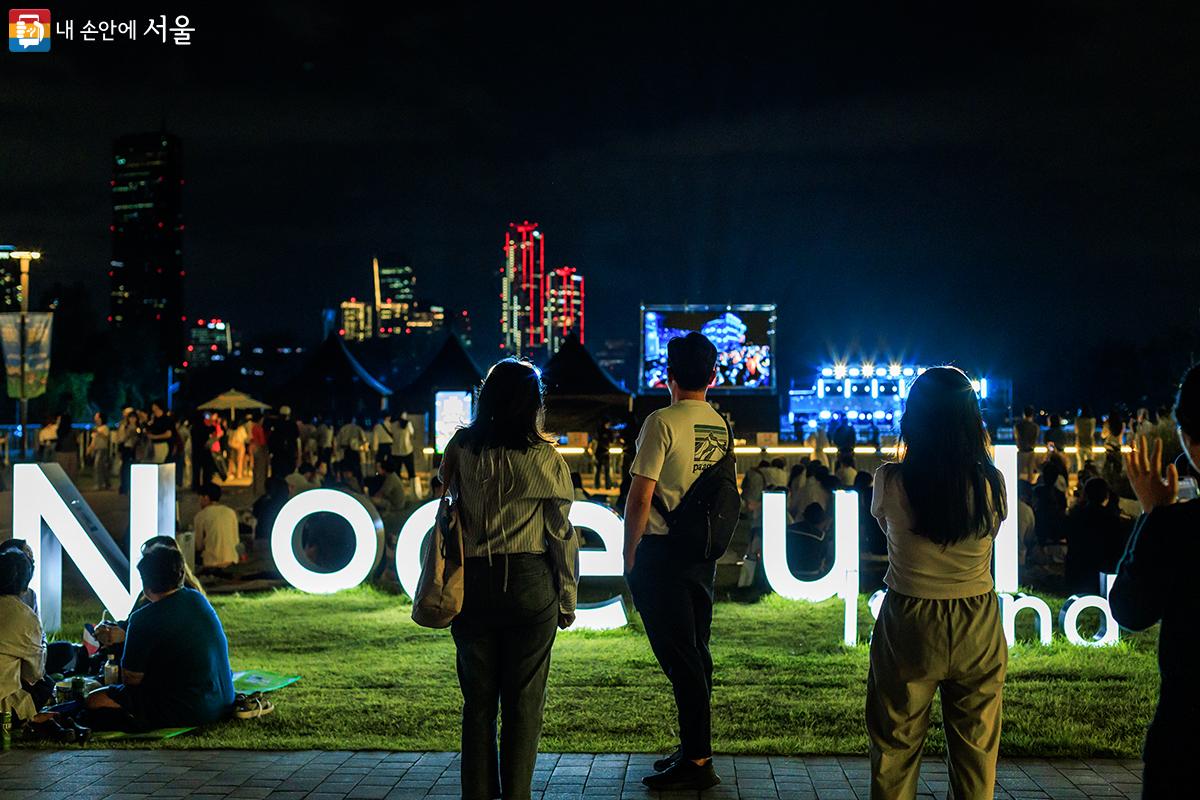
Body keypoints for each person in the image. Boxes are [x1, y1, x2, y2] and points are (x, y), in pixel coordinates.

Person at [865, 366, 1008, 800]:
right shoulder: (992, 482)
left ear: (914, 416)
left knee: (894, 750)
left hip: (909, 617)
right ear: (972, 419)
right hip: (978, 618)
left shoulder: (890, 480)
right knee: (976, 757)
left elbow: (882, 524)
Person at [441, 358, 579, 800]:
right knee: (524, 705)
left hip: (474, 585)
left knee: (478, 704)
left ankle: (477, 795)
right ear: (532, 403)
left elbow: (447, 503)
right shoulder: (545, 457)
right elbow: (560, 535)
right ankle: (517, 794)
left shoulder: (462, 448)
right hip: (530, 582)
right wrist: (568, 599)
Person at [623, 332, 729, 791]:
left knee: (681, 659)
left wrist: (629, 556)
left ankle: (699, 761)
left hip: (663, 555)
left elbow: (640, 496)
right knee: (696, 655)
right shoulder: (721, 425)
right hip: (701, 557)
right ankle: (693, 749)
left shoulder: (660, 422)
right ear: (713, 376)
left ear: (668, 375)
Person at [1110, 364, 1200, 798]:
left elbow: (1130, 608)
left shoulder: (1183, 525)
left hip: (1188, 734)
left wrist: (1155, 515)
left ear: (1188, 435)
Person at [84, 545, 234, 731]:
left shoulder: (144, 618)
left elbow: (131, 680)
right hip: (223, 700)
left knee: (94, 700)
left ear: (146, 582)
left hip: (190, 708)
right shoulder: (197, 599)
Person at [1065, 477, 1130, 596]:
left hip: (1076, 573)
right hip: (1101, 575)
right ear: (1106, 497)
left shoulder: (1075, 516)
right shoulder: (1113, 520)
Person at [193, 483, 240, 570]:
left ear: (206, 497)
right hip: (232, 561)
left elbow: (198, 545)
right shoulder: (230, 512)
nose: (199, 502)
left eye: (199, 498)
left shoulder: (200, 516)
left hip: (212, 563)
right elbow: (236, 540)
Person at [268, 406, 302, 480]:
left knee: (277, 474)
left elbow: (271, 440)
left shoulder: (276, 424)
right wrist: (299, 455)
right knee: (288, 475)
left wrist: (270, 452)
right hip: (289, 453)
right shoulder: (293, 425)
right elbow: (297, 440)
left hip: (278, 454)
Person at [86, 412, 113, 490]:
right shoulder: (96, 428)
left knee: (98, 466)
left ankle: (99, 484)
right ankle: (106, 483)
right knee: (102, 467)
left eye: (97, 417)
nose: (95, 419)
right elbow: (94, 440)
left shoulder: (105, 427)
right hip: (96, 449)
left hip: (102, 449)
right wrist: (90, 448)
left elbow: (106, 436)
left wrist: (98, 432)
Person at [1014, 405, 1040, 481]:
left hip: (1021, 452)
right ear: (1032, 415)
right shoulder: (1035, 427)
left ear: (1023, 414)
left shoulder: (1018, 426)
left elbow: (1016, 438)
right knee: (1030, 476)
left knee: (1018, 475)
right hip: (1031, 452)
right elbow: (1036, 439)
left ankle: (1020, 491)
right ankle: (1029, 491)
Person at [147, 401, 175, 465]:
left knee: (160, 464)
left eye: (155, 408)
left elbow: (168, 434)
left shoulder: (166, 419)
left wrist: (154, 437)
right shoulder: (154, 420)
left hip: (162, 445)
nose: (154, 410)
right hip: (153, 445)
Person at [53, 413, 80, 480]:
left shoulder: (58, 431)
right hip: (72, 452)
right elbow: (77, 441)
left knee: (62, 472)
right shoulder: (73, 431)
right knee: (71, 472)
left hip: (61, 452)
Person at [249, 412, 269, 497]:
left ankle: (256, 488)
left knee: (256, 470)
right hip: (260, 449)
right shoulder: (259, 428)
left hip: (255, 449)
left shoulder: (253, 427)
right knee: (261, 470)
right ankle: (260, 490)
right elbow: (262, 441)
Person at [1075, 405, 1097, 472]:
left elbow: (1076, 431)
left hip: (1080, 442)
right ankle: (1090, 476)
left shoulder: (1078, 420)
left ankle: (1081, 477)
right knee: (1090, 462)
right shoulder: (1092, 420)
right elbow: (1092, 432)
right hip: (1089, 442)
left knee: (1080, 462)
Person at [593, 420, 613, 490]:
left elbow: (596, 440)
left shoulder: (599, 431)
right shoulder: (607, 432)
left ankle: (598, 485)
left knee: (599, 470)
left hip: (601, 452)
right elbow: (611, 441)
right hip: (604, 452)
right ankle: (607, 486)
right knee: (605, 470)